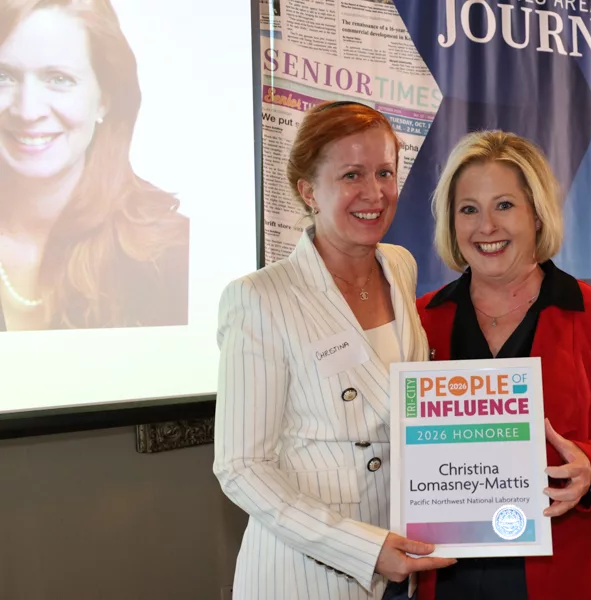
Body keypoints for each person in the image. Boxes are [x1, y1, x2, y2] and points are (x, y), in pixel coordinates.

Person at [213, 100, 456, 600]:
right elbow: (241, 468)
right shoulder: (260, 298)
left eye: (384, 172)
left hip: (404, 557)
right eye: (351, 174)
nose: (375, 193)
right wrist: (363, 548)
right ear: (308, 191)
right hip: (307, 570)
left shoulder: (401, 266)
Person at [415, 130, 591, 599]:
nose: (486, 226)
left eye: (504, 205)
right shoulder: (422, 319)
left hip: (560, 573)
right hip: (446, 578)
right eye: (468, 209)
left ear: (536, 213)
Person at [0, 0, 189, 332]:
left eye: (59, 79)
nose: (27, 111)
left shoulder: (169, 251)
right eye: (4, 77)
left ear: (105, 97)